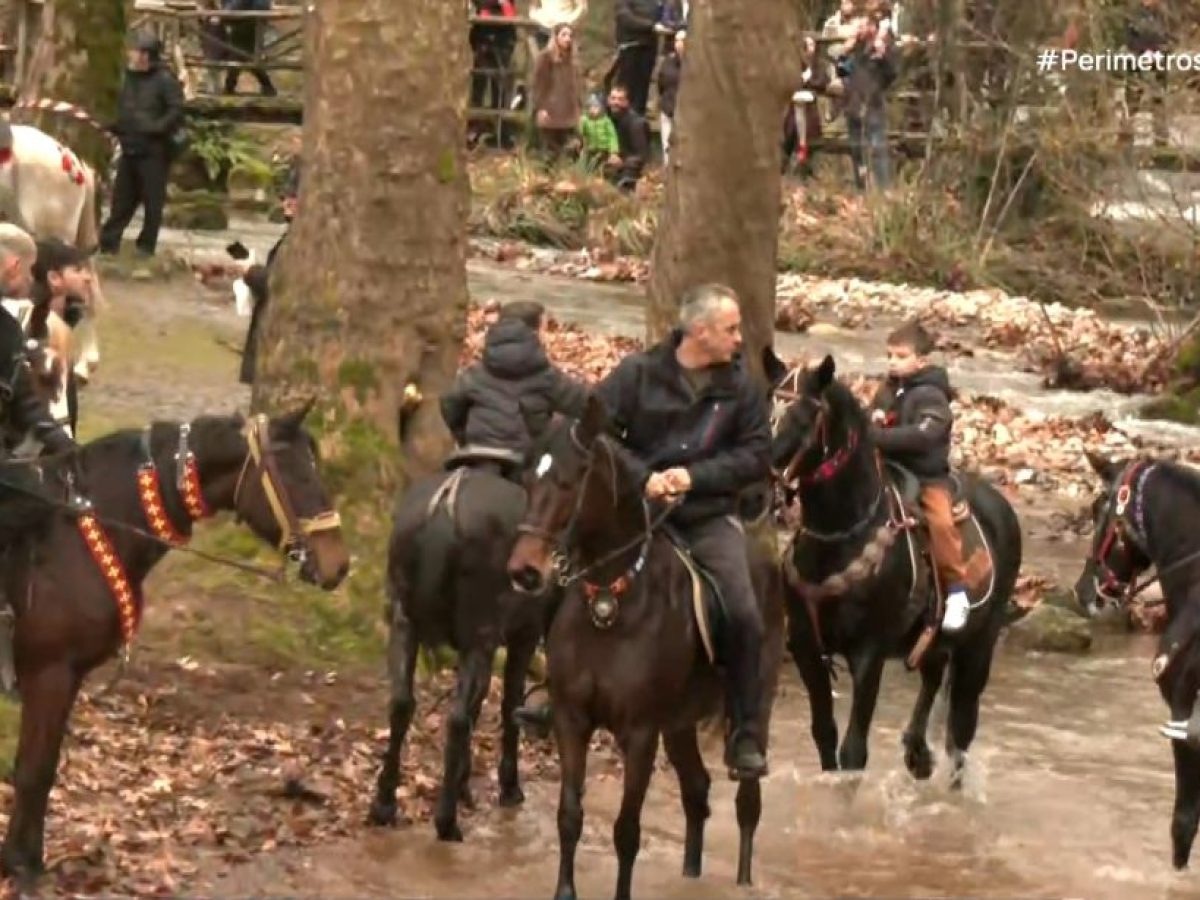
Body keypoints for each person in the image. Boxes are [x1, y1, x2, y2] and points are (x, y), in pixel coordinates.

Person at [515, 284, 772, 780]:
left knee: (742, 609)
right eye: (731, 329)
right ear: (699, 331)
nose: (739, 338)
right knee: (560, 577)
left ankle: (743, 730)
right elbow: (595, 432)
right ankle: (551, 691)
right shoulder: (637, 373)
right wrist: (643, 478)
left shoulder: (742, 387)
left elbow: (757, 455)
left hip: (706, 516)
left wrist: (693, 477)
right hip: (634, 512)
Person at [0, 224, 80, 695]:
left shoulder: (7, 329)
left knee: (44, 496)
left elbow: (25, 403)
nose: (30, 280)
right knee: (33, 499)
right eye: (29, 271)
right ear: (13, 266)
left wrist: (62, 443)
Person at [868, 320, 971, 633]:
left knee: (941, 523)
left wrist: (876, 437)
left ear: (921, 360)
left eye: (901, 356)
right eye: (889, 355)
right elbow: (871, 416)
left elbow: (925, 434)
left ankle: (957, 591)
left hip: (925, 475)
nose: (892, 362)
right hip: (888, 469)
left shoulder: (932, 395)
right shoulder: (888, 390)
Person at [440, 301, 589, 482]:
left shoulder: (476, 373)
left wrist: (464, 437)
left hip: (476, 453)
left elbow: (449, 403)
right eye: (544, 328)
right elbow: (587, 406)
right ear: (534, 333)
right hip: (524, 463)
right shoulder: (547, 377)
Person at [98, 31, 185, 257]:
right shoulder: (128, 78)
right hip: (130, 147)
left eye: (135, 51)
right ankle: (108, 243)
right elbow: (124, 108)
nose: (131, 54)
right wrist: (114, 126)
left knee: (152, 202)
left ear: (146, 55)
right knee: (121, 200)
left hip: (154, 151)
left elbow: (176, 110)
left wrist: (157, 127)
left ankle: (146, 247)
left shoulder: (165, 80)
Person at [531, 23, 583, 161]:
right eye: (564, 35)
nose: (568, 39)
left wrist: (579, 106)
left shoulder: (572, 59)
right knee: (550, 152)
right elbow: (538, 84)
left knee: (571, 147)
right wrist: (541, 107)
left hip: (568, 109)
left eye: (570, 35)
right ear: (556, 37)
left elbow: (576, 86)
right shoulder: (545, 57)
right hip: (551, 109)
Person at [578, 92, 620, 173]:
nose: (592, 110)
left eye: (596, 107)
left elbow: (612, 136)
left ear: (602, 108)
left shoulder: (606, 121)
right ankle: (583, 173)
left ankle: (599, 172)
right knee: (584, 163)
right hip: (590, 148)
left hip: (603, 149)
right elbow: (581, 132)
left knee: (599, 163)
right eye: (590, 107)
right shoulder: (585, 120)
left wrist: (613, 151)